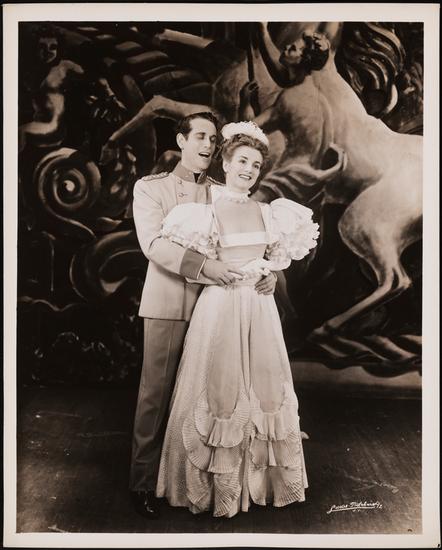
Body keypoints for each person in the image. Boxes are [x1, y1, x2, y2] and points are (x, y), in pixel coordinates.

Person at [155, 121, 319, 517]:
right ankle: (217, 489)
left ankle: (263, 483)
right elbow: (195, 265)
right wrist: (215, 272)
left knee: (266, 387)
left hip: (259, 310)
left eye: (256, 165)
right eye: (242, 161)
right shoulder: (203, 212)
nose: (248, 170)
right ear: (226, 163)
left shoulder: (269, 212)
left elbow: (271, 260)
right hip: (221, 307)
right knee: (221, 389)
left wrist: (271, 275)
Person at [130, 113, 277, 519]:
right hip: (172, 302)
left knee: (209, 398)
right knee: (156, 395)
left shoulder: (224, 190)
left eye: (213, 139)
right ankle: (143, 482)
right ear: (181, 140)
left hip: (221, 308)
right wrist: (206, 267)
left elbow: (248, 244)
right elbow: (153, 244)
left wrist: (266, 274)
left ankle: (192, 479)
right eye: (200, 137)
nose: (208, 146)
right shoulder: (151, 188)